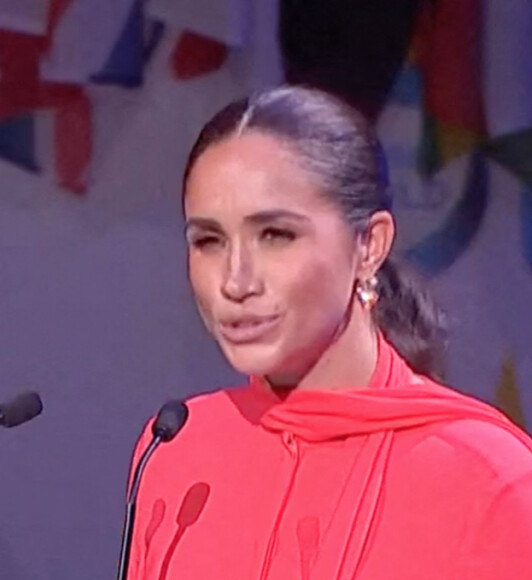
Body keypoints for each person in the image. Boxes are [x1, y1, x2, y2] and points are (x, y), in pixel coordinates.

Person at [126, 86, 532, 580]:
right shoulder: (175, 450)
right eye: (209, 240)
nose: (235, 281)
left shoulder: (491, 480)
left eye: (275, 235)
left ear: (369, 246)